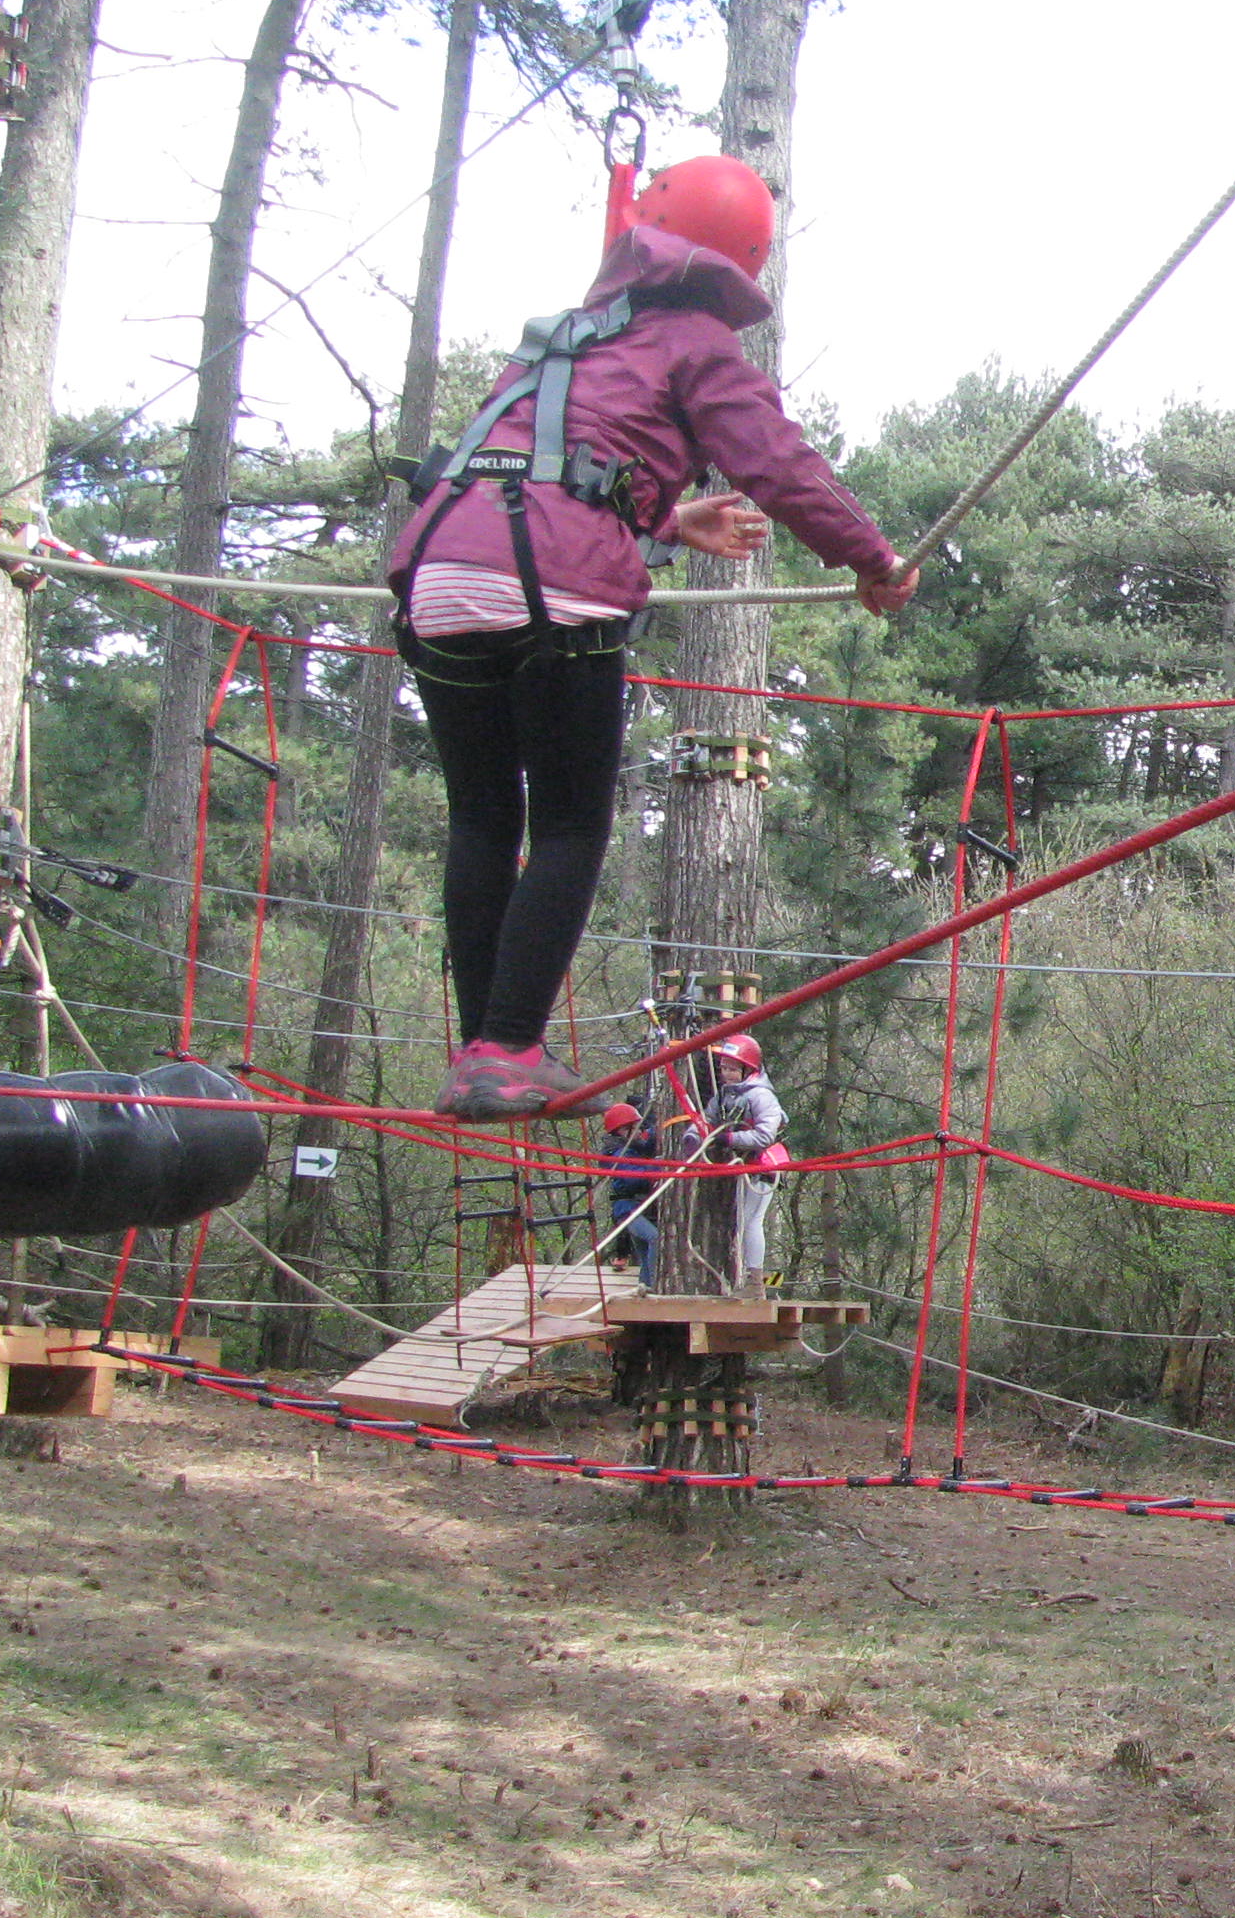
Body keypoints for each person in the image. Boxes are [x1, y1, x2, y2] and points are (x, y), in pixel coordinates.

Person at [390, 155, 922, 1122]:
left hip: (433, 576)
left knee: (481, 817)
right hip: (548, 594)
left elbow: (539, 468)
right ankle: (509, 1049)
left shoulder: (561, 341)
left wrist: (671, 524)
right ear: (744, 258)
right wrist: (873, 557)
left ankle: (485, 1049)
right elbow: (777, 460)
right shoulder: (697, 340)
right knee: (567, 823)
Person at [699, 1032, 787, 1286]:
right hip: (745, 1165)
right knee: (741, 1222)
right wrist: (695, 1135)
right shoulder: (726, 1095)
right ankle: (748, 1278)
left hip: (763, 1164)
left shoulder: (761, 1096)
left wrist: (729, 1140)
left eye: (732, 1068)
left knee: (751, 1221)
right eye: (724, 1068)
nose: (726, 1074)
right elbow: (707, 1121)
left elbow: (764, 1136)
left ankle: (756, 1282)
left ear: (747, 1069)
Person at [598, 1101, 664, 1289]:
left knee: (644, 1253)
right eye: (634, 1128)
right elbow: (634, 1178)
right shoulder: (617, 1154)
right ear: (622, 1131)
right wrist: (659, 1165)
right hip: (627, 1210)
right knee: (655, 1239)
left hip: (636, 1209)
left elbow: (647, 1145)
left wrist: (657, 1127)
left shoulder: (631, 1148)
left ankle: (644, 1287)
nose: (638, 1131)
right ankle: (652, 1286)